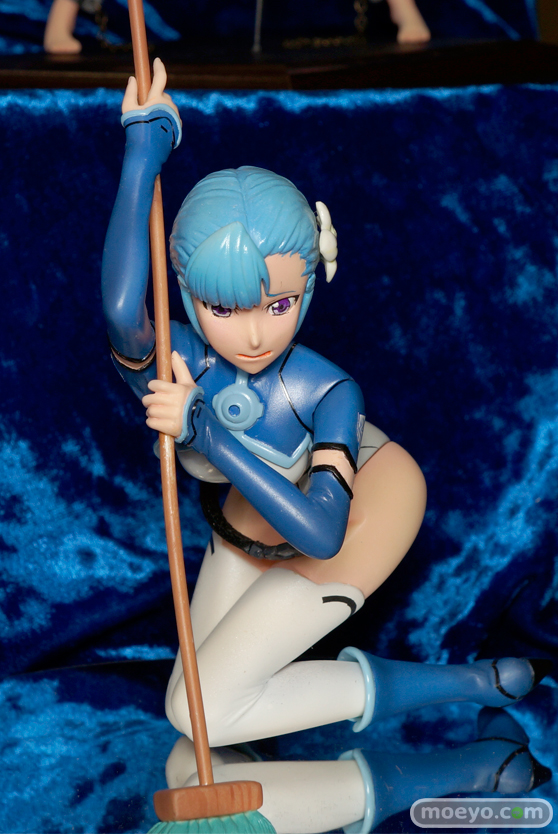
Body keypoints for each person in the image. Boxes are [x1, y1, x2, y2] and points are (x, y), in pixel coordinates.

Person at [102, 59, 550, 748]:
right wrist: (144, 152)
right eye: (224, 307)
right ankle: (471, 682)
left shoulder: (331, 390)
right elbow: (120, 310)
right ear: (187, 293)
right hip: (256, 511)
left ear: (311, 282)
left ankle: (453, 709)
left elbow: (321, 534)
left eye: (279, 304)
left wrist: (208, 436)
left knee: (199, 713)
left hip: (365, 502)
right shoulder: (182, 359)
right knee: (191, 705)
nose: (255, 334)